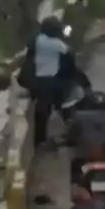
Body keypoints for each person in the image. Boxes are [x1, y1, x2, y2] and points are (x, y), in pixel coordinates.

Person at [65, 91, 105, 198]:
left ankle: (76, 189)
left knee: (75, 165)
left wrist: (69, 142)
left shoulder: (77, 118)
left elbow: (70, 136)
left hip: (84, 157)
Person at [27, 17, 72, 148]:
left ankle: (39, 139)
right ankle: (71, 134)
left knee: (42, 110)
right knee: (64, 108)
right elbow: (69, 57)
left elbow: (29, 57)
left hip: (39, 80)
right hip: (56, 81)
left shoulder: (36, 40)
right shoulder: (59, 44)